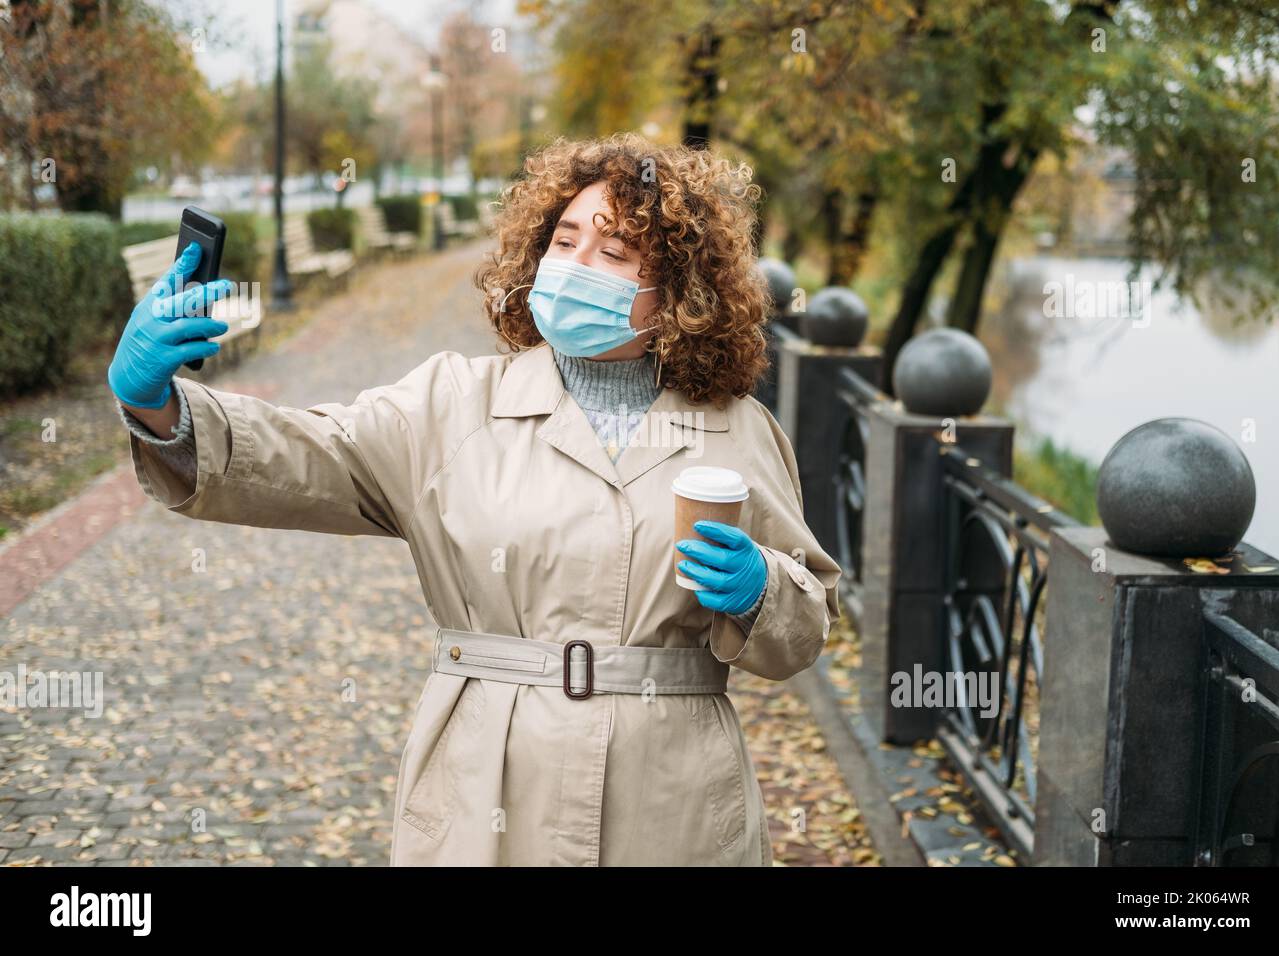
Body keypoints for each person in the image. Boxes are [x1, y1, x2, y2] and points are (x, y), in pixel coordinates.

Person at [107, 132, 842, 866]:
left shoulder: (733, 429)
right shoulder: (453, 404)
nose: (576, 266)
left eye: (614, 254)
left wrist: (761, 593)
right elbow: (311, 452)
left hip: (672, 802)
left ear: (679, 294)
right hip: (487, 782)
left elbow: (806, 623)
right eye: (564, 241)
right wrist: (162, 411)